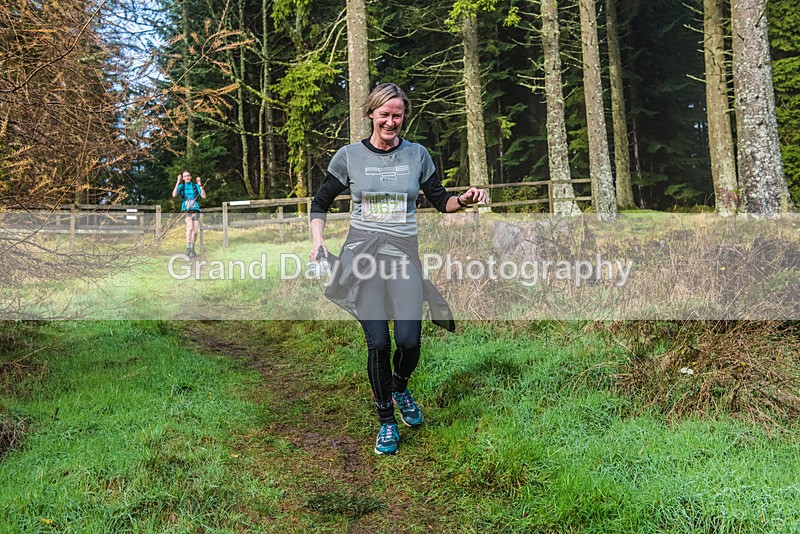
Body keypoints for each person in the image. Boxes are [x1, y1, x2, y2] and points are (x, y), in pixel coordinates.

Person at [310, 83, 487, 455]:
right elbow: (320, 201)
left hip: (404, 258)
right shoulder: (349, 156)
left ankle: (400, 387)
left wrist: (465, 198)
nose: (391, 121)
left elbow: (441, 201)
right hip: (362, 260)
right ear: (371, 114)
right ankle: (386, 422)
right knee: (378, 342)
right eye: (385, 114)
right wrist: (318, 242)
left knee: (409, 340)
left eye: (398, 115)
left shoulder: (417, 155)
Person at [172, 170, 206, 257]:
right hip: (186, 209)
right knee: (189, 227)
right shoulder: (181, 186)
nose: (187, 177)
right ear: (183, 178)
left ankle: (192, 248)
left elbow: (203, 196)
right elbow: (174, 195)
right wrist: (177, 182)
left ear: (190, 177)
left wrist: (200, 184)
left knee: (195, 231)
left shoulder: (195, 186)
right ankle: (188, 248)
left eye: (188, 176)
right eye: (185, 176)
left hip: (195, 209)